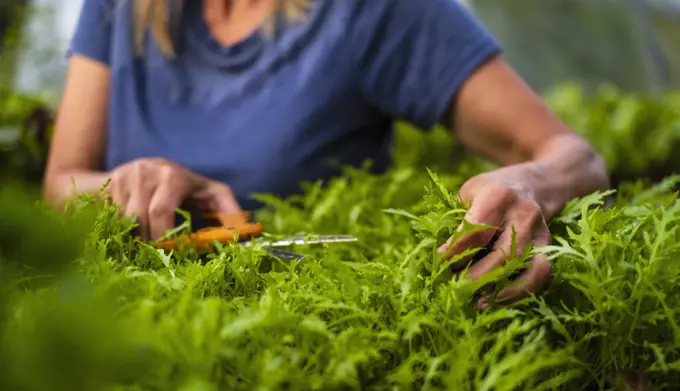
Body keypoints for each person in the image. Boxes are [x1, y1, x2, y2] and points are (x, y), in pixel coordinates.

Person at [43, 0, 609, 307]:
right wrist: (119, 184)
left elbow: (572, 155)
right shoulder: (118, 9)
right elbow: (59, 182)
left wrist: (529, 185)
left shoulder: (377, 12)